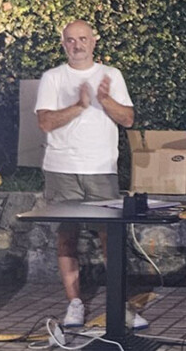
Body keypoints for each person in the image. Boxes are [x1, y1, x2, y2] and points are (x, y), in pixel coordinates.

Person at [36, 20, 137, 329]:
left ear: (94, 41)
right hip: (61, 169)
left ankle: (119, 306)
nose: (77, 45)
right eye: (70, 40)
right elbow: (45, 122)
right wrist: (79, 106)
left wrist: (104, 100)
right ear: (63, 44)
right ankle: (75, 304)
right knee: (67, 236)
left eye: (82, 39)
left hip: (101, 169)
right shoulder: (52, 77)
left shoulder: (111, 75)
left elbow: (128, 119)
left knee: (111, 238)